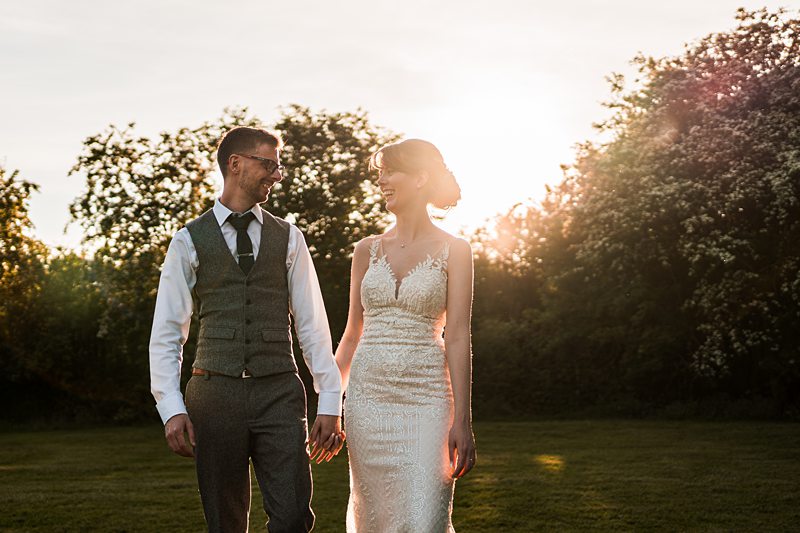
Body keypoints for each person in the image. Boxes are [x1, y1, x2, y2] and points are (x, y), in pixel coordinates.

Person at [149, 126, 344, 532]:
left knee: (292, 516)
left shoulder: (289, 238)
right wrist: (171, 407)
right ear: (235, 164)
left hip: (279, 393)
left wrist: (329, 399)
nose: (277, 174)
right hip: (213, 394)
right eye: (268, 164)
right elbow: (168, 331)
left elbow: (312, 325)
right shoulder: (187, 240)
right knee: (226, 522)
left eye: (278, 166)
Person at [335, 139, 477, 532]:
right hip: (367, 402)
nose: (381, 180)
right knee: (374, 516)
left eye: (390, 171)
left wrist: (462, 421)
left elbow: (459, 335)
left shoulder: (456, 250)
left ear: (420, 177)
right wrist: (329, 401)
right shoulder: (366, 249)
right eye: (379, 172)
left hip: (428, 398)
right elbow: (351, 334)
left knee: (425, 517)